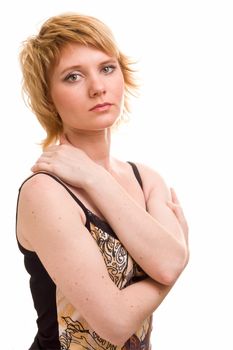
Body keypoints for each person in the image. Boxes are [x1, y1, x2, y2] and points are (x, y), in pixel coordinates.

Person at [16, 13, 189, 350]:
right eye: (73, 76)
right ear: (48, 98)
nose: (98, 87)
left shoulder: (146, 179)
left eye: (107, 68)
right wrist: (175, 267)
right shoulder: (45, 193)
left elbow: (169, 262)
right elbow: (115, 322)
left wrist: (94, 177)